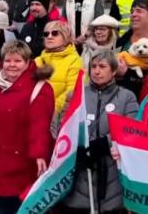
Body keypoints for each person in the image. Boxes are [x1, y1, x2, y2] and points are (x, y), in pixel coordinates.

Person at [0, 41, 54, 214]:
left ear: (27, 62)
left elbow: (40, 124)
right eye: (8, 60)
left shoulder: (39, 88)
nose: (12, 65)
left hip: (23, 163)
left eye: (17, 61)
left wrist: (40, 154)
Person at [59, 51, 138, 214]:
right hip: (81, 173)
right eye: (93, 66)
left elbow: (132, 129)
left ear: (114, 71)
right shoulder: (77, 94)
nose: (96, 71)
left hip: (111, 174)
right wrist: (76, 147)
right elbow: (62, 127)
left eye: (102, 66)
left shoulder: (126, 97)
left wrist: (104, 143)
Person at [35, 20, 84, 113]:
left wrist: (51, 109)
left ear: (66, 37)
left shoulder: (74, 60)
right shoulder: (37, 60)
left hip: (57, 115)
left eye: (55, 33)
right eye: (46, 34)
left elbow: (72, 90)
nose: (49, 37)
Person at [115, 0, 148, 96]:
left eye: (139, 11)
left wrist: (127, 73)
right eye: (132, 11)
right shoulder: (121, 41)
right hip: (120, 96)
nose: (133, 15)